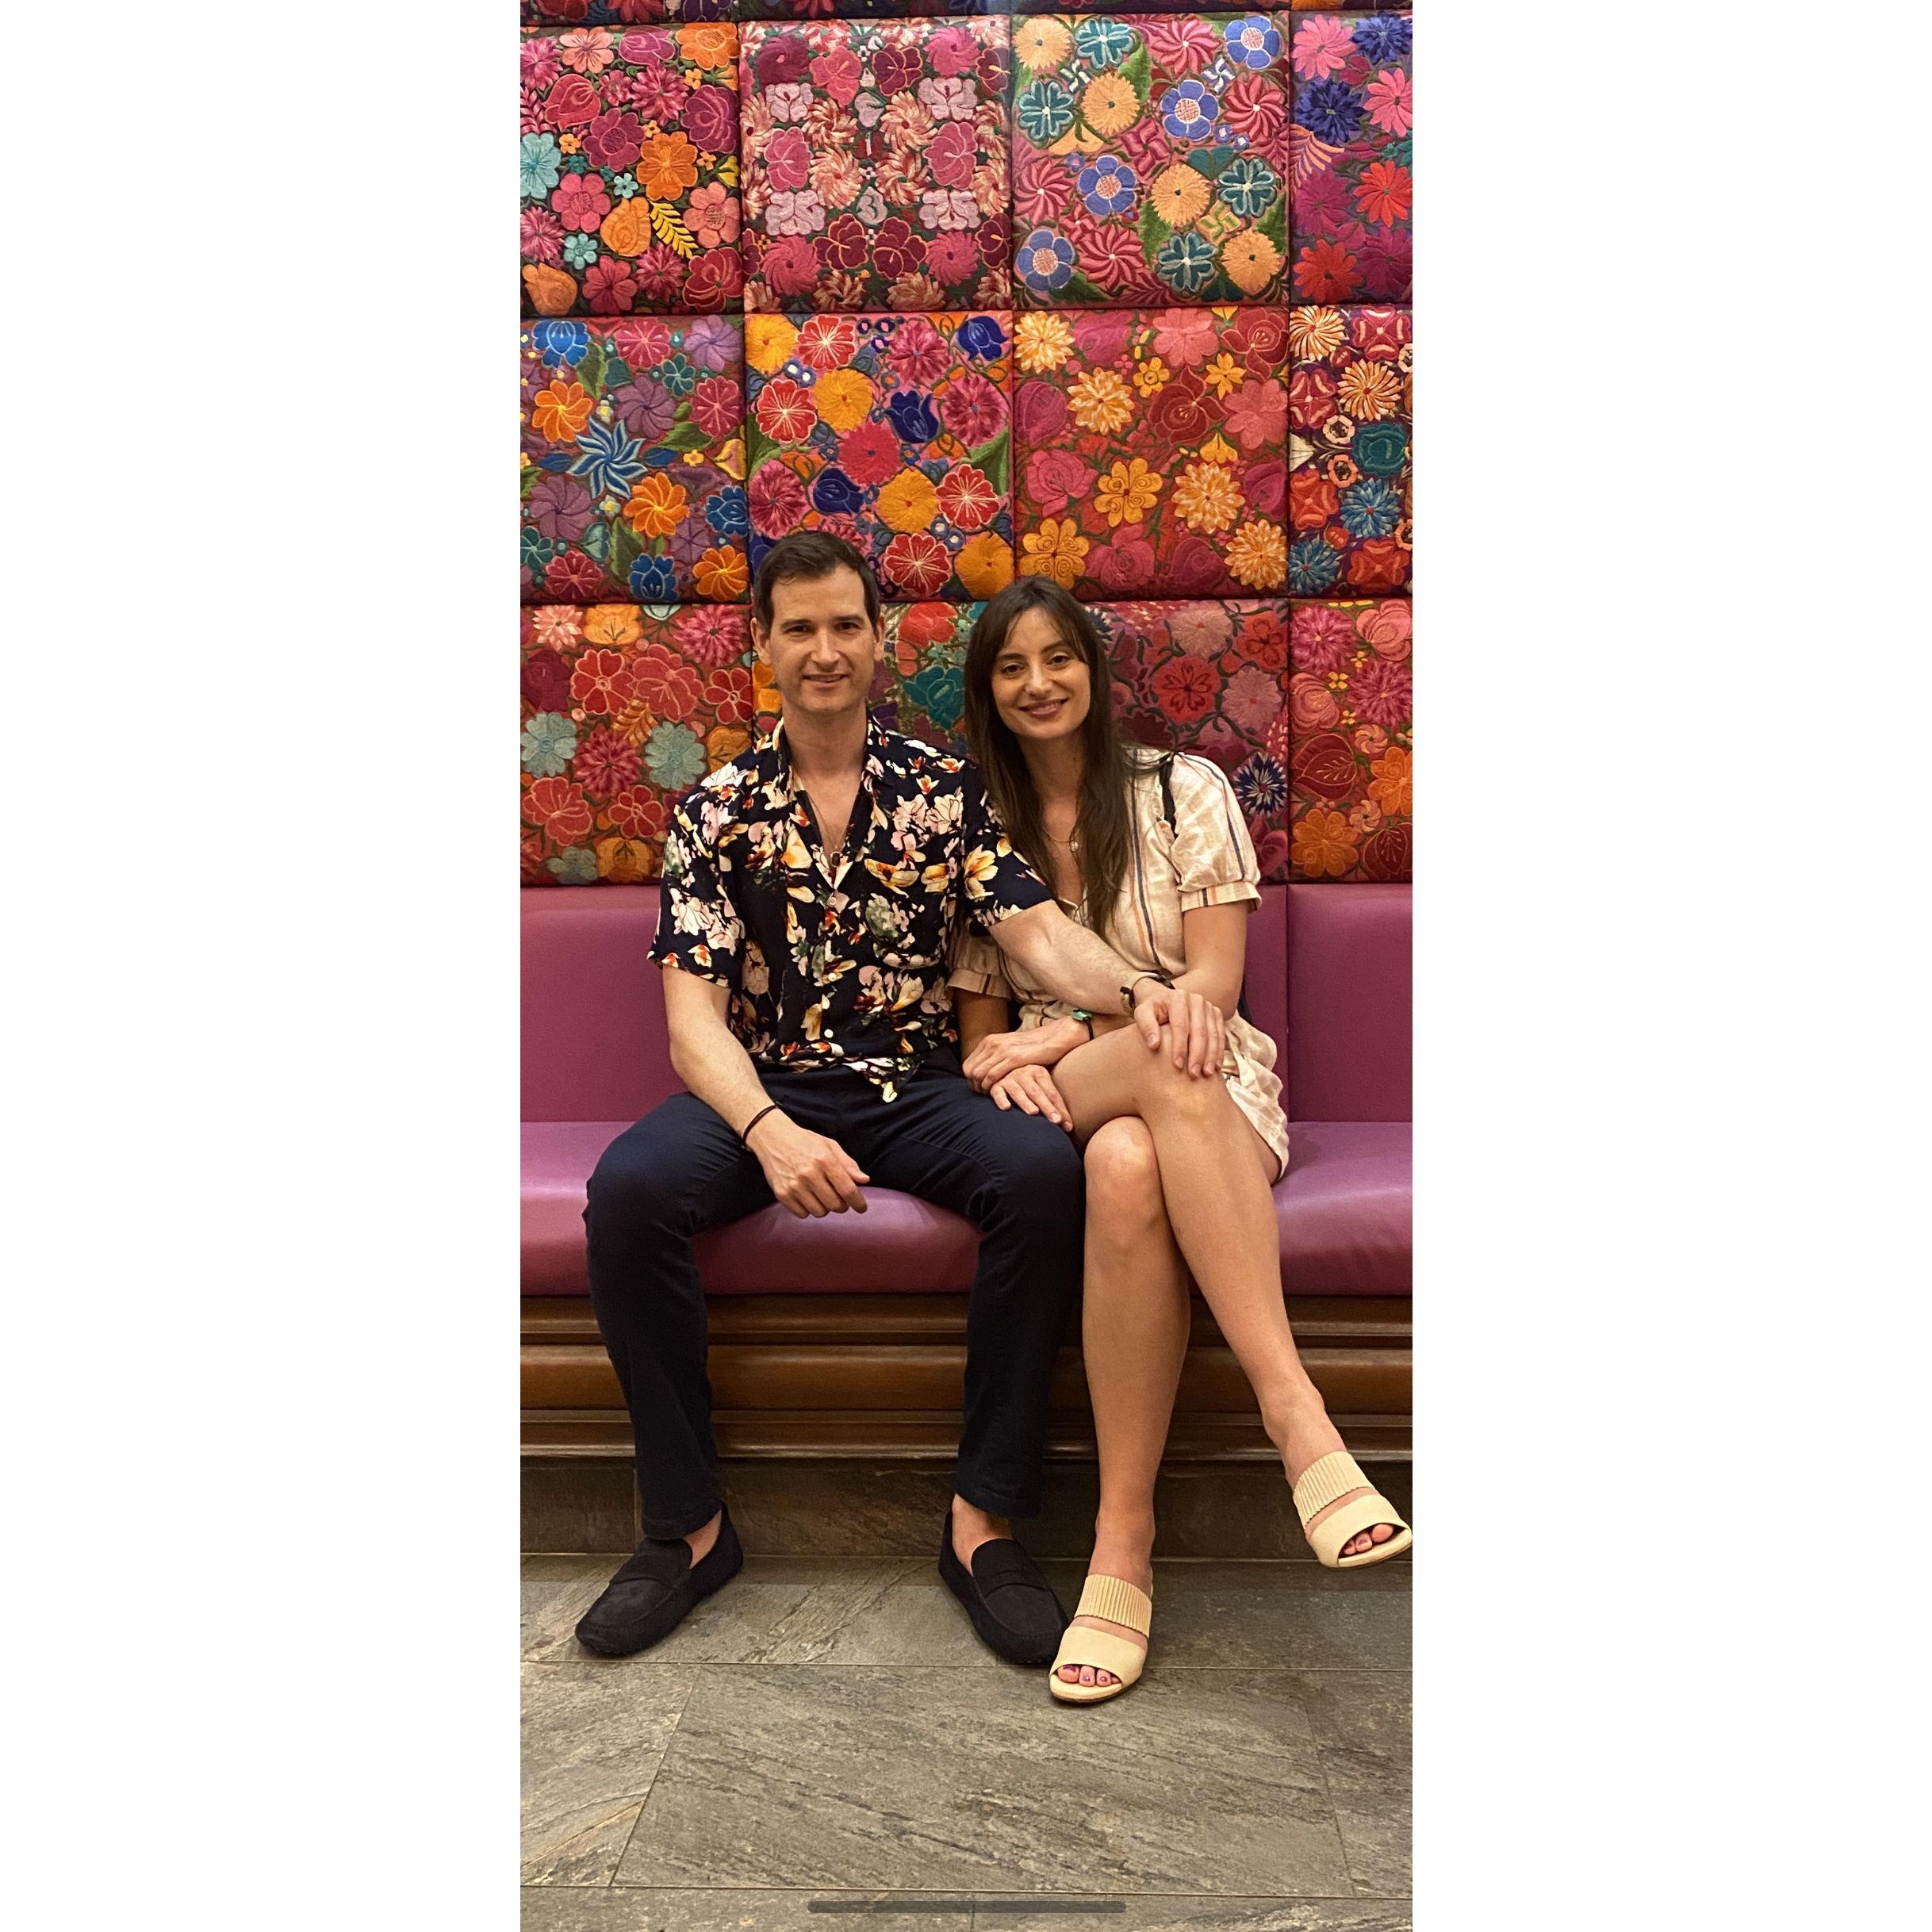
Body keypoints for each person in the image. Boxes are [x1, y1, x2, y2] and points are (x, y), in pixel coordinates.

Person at [575, 533, 1230, 1666]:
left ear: (879, 641)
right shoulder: (713, 811)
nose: (824, 650)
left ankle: (984, 1523)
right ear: (762, 646)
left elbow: (1040, 937)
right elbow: (693, 1025)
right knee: (627, 1193)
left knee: (1040, 1174)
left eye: (846, 625)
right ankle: (687, 1530)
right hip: (770, 1082)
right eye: (799, 629)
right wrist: (771, 1133)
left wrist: (1139, 993)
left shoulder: (945, 792)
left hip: (917, 1084)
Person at [949, 577, 1413, 1706]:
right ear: (986, 690)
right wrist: (1041, 1049)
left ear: (1095, 669)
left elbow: (1213, 986)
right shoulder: (971, 825)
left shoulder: (1181, 790)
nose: (1039, 683)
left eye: (1058, 657)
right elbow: (979, 1038)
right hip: (1070, 1091)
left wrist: (1066, 1029)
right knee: (1154, 1067)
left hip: (1205, 1075)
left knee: (1130, 1159)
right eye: (1011, 666)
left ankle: (1122, 1547)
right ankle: (1296, 1415)